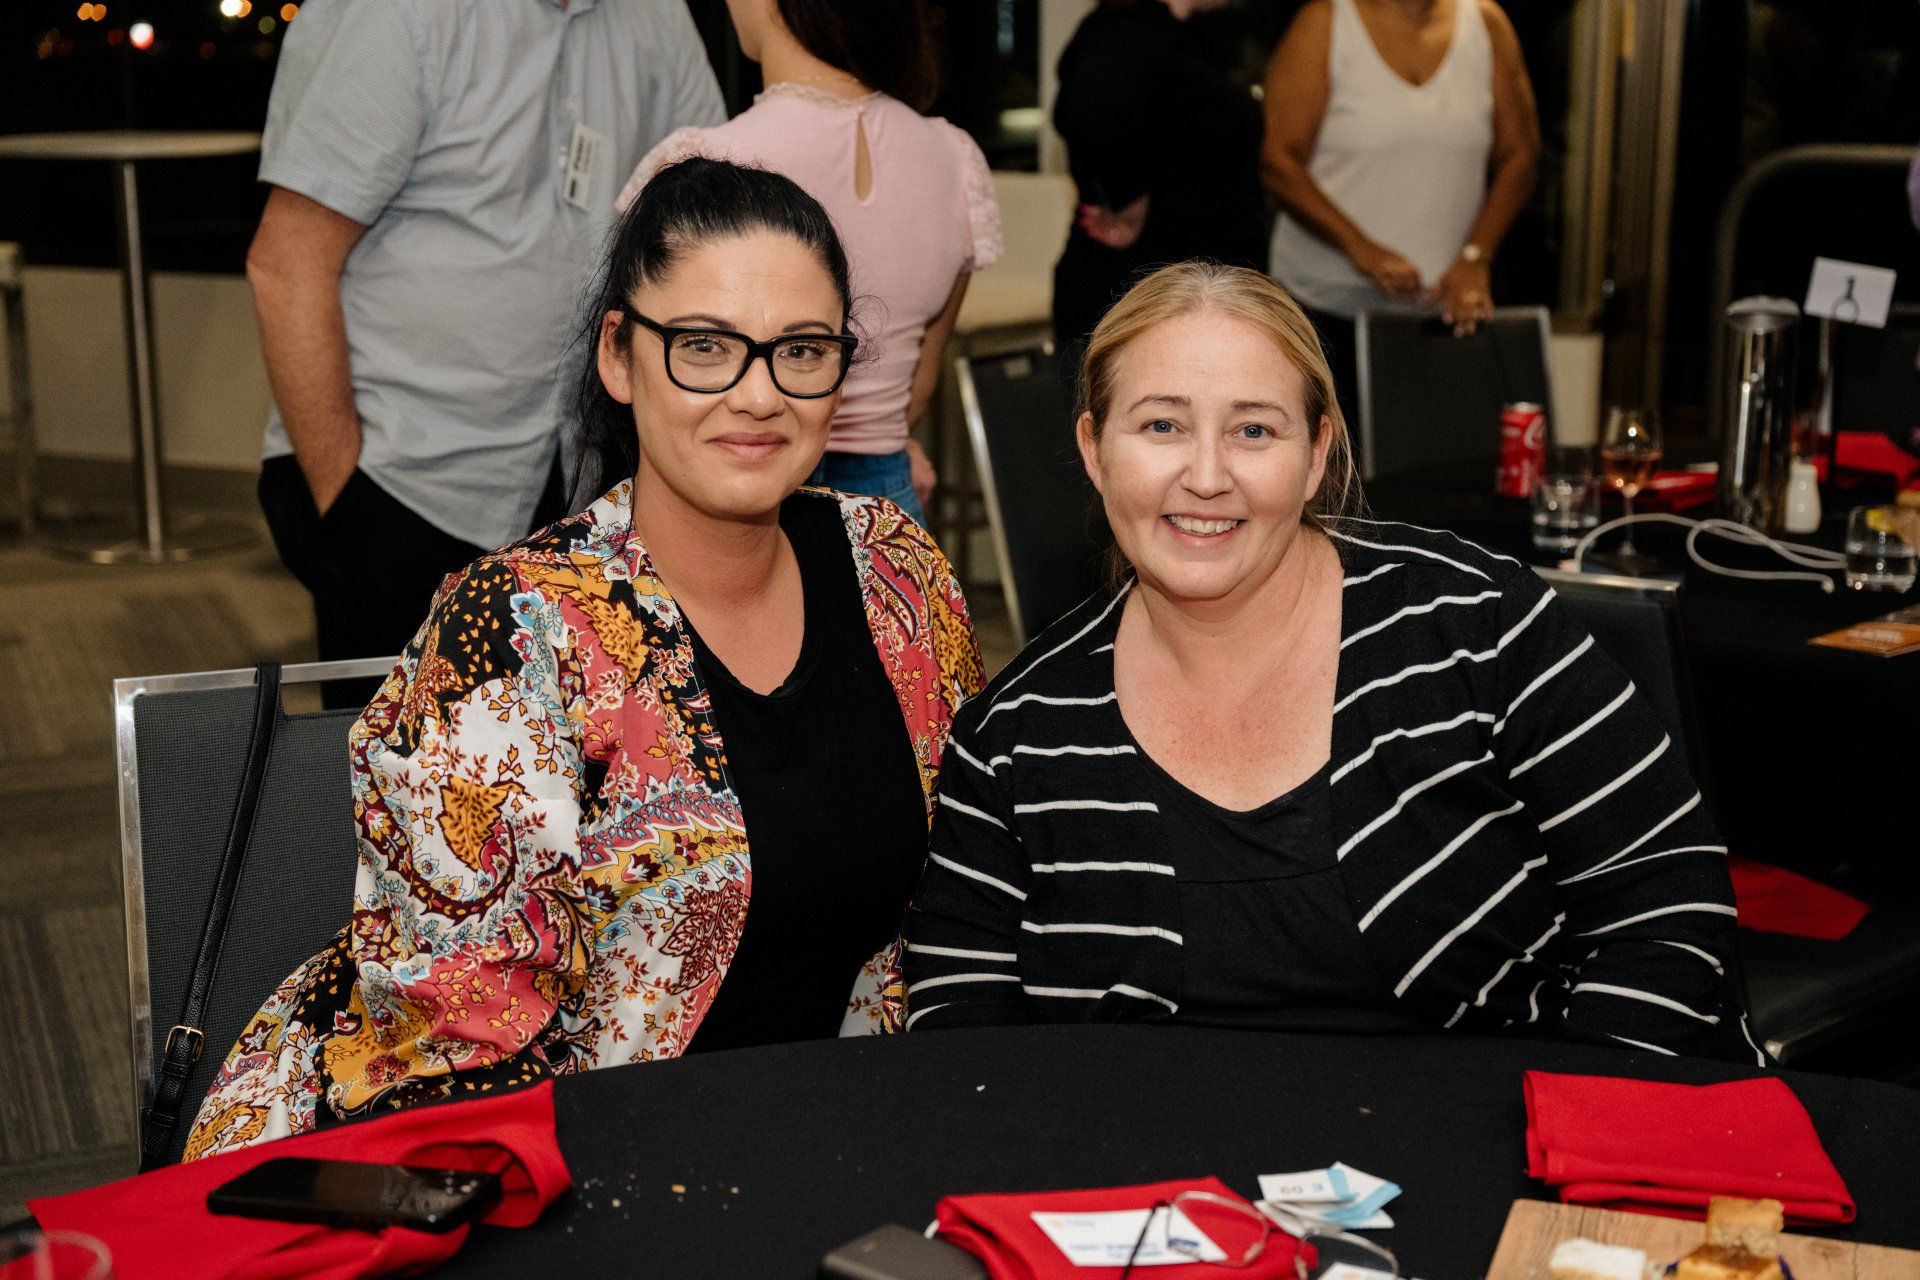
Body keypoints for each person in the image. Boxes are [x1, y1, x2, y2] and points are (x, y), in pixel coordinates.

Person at [184, 159, 985, 1159]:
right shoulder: (513, 633)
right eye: (704, 346)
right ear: (620, 354)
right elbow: (458, 1051)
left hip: (822, 1137)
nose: (758, 393)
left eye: (802, 350)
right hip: (524, 1161)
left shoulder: (893, 573)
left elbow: (962, 905)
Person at [903, 262, 1760, 1063]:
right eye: (1161, 424)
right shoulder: (1015, 736)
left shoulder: (1473, 624)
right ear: (1094, 450)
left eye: (1253, 429)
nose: (1207, 475)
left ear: (1316, 454)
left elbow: (1670, 916)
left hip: (1496, 1179)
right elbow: (959, 1029)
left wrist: (1571, 1163)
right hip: (1144, 1206)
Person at [247, 0, 725, 705]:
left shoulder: (655, 15)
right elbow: (286, 263)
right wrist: (343, 499)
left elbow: (709, 220)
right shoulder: (391, 15)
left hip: (586, 476)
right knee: (404, 789)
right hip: (402, 477)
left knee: (567, 779)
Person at [616, 0, 1002, 526]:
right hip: (886, 501)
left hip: (734, 487)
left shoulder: (702, 166)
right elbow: (917, 387)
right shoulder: (955, 158)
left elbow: (635, 367)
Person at [1261, 0, 1540, 423]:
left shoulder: (1486, 22)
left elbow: (1521, 155)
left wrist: (1475, 257)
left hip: (1442, 314)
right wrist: (1362, 250)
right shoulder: (1326, 21)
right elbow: (1278, 163)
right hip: (1324, 313)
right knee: (1328, 476)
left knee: (1433, 472)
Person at [1051, 0, 1268, 352]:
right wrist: (1124, 200)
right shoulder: (1127, 25)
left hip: (1188, 287)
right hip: (1143, 290)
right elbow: (1091, 113)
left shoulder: (1181, 34)